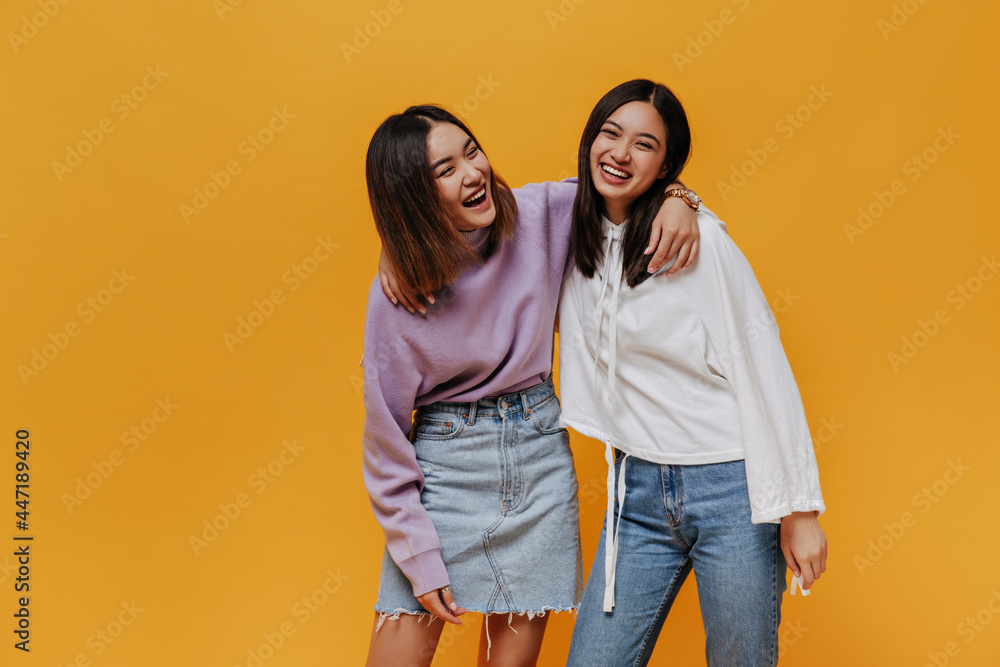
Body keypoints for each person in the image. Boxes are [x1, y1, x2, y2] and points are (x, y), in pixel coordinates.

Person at [361, 104, 699, 666]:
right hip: (447, 472)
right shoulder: (397, 296)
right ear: (413, 197)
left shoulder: (541, 213)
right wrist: (417, 554)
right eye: (444, 170)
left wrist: (679, 199)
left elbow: (621, 183)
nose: (472, 173)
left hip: (538, 460)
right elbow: (385, 440)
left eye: (471, 152)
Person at [557, 79, 828, 666]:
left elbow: (765, 368)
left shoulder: (697, 240)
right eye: (610, 134)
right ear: (589, 140)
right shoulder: (564, 230)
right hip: (637, 489)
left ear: (665, 164)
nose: (621, 154)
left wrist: (800, 510)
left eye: (645, 145)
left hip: (731, 487)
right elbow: (473, 227)